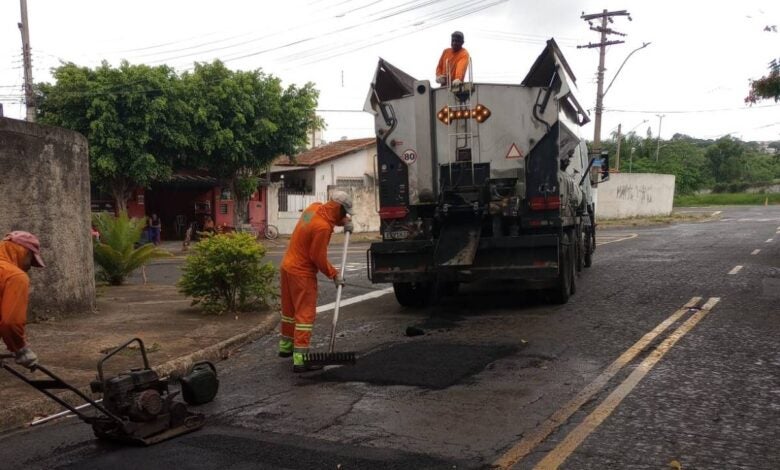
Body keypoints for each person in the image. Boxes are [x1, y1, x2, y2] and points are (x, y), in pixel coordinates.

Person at [278, 191, 355, 373]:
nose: (345, 216)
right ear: (338, 208)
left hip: (287, 266)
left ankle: (286, 347)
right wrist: (334, 274)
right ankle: (301, 359)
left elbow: (327, 217)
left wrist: (342, 222)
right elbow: (317, 258)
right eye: (344, 213)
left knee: (289, 311)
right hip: (302, 273)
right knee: (305, 315)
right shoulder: (322, 228)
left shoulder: (312, 209)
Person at [0, 231, 45, 369]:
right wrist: (21, 350)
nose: (29, 266)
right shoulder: (14, 276)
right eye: (31, 260)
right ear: (24, 252)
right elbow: (11, 323)